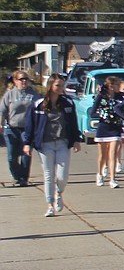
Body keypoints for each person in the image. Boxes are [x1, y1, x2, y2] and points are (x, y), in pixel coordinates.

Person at [22, 73, 82, 217]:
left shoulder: (67, 103)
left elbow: (73, 123)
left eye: (62, 85)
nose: (61, 88)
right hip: (45, 144)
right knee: (48, 175)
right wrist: (27, 143)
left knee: (62, 176)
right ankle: (50, 204)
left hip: (62, 142)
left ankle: (59, 192)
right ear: (50, 86)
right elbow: (30, 125)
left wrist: (76, 139)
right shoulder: (38, 104)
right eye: (58, 85)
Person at [2, 69, 39, 187]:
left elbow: (40, 109)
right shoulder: (10, 94)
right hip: (11, 128)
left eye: (25, 79)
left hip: (27, 129)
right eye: (21, 79)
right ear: (15, 80)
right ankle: (16, 176)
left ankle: (23, 178)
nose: (23, 81)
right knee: (11, 156)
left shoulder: (33, 94)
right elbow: (2, 110)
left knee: (26, 154)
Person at [92, 76, 124, 189]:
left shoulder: (120, 96)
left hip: (115, 128)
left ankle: (112, 178)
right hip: (103, 127)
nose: (119, 87)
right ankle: (100, 174)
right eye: (117, 84)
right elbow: (92, 112)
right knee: (102, 154)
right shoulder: (101, 96)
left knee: (113, 153)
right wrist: (104, 115)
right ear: (111, 86)